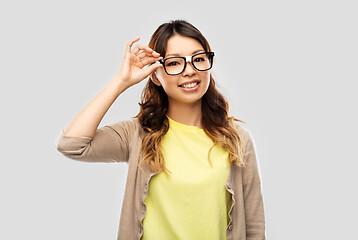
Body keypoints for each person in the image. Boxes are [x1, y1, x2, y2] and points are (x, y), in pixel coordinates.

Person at [55, 20, 266, 240]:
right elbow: (71, 145)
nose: (190, 71)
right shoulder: (137, 134)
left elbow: (254, 226)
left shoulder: (238, 139)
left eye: (199, 59)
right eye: (174, 63)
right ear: (155, 75)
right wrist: (120, 82)